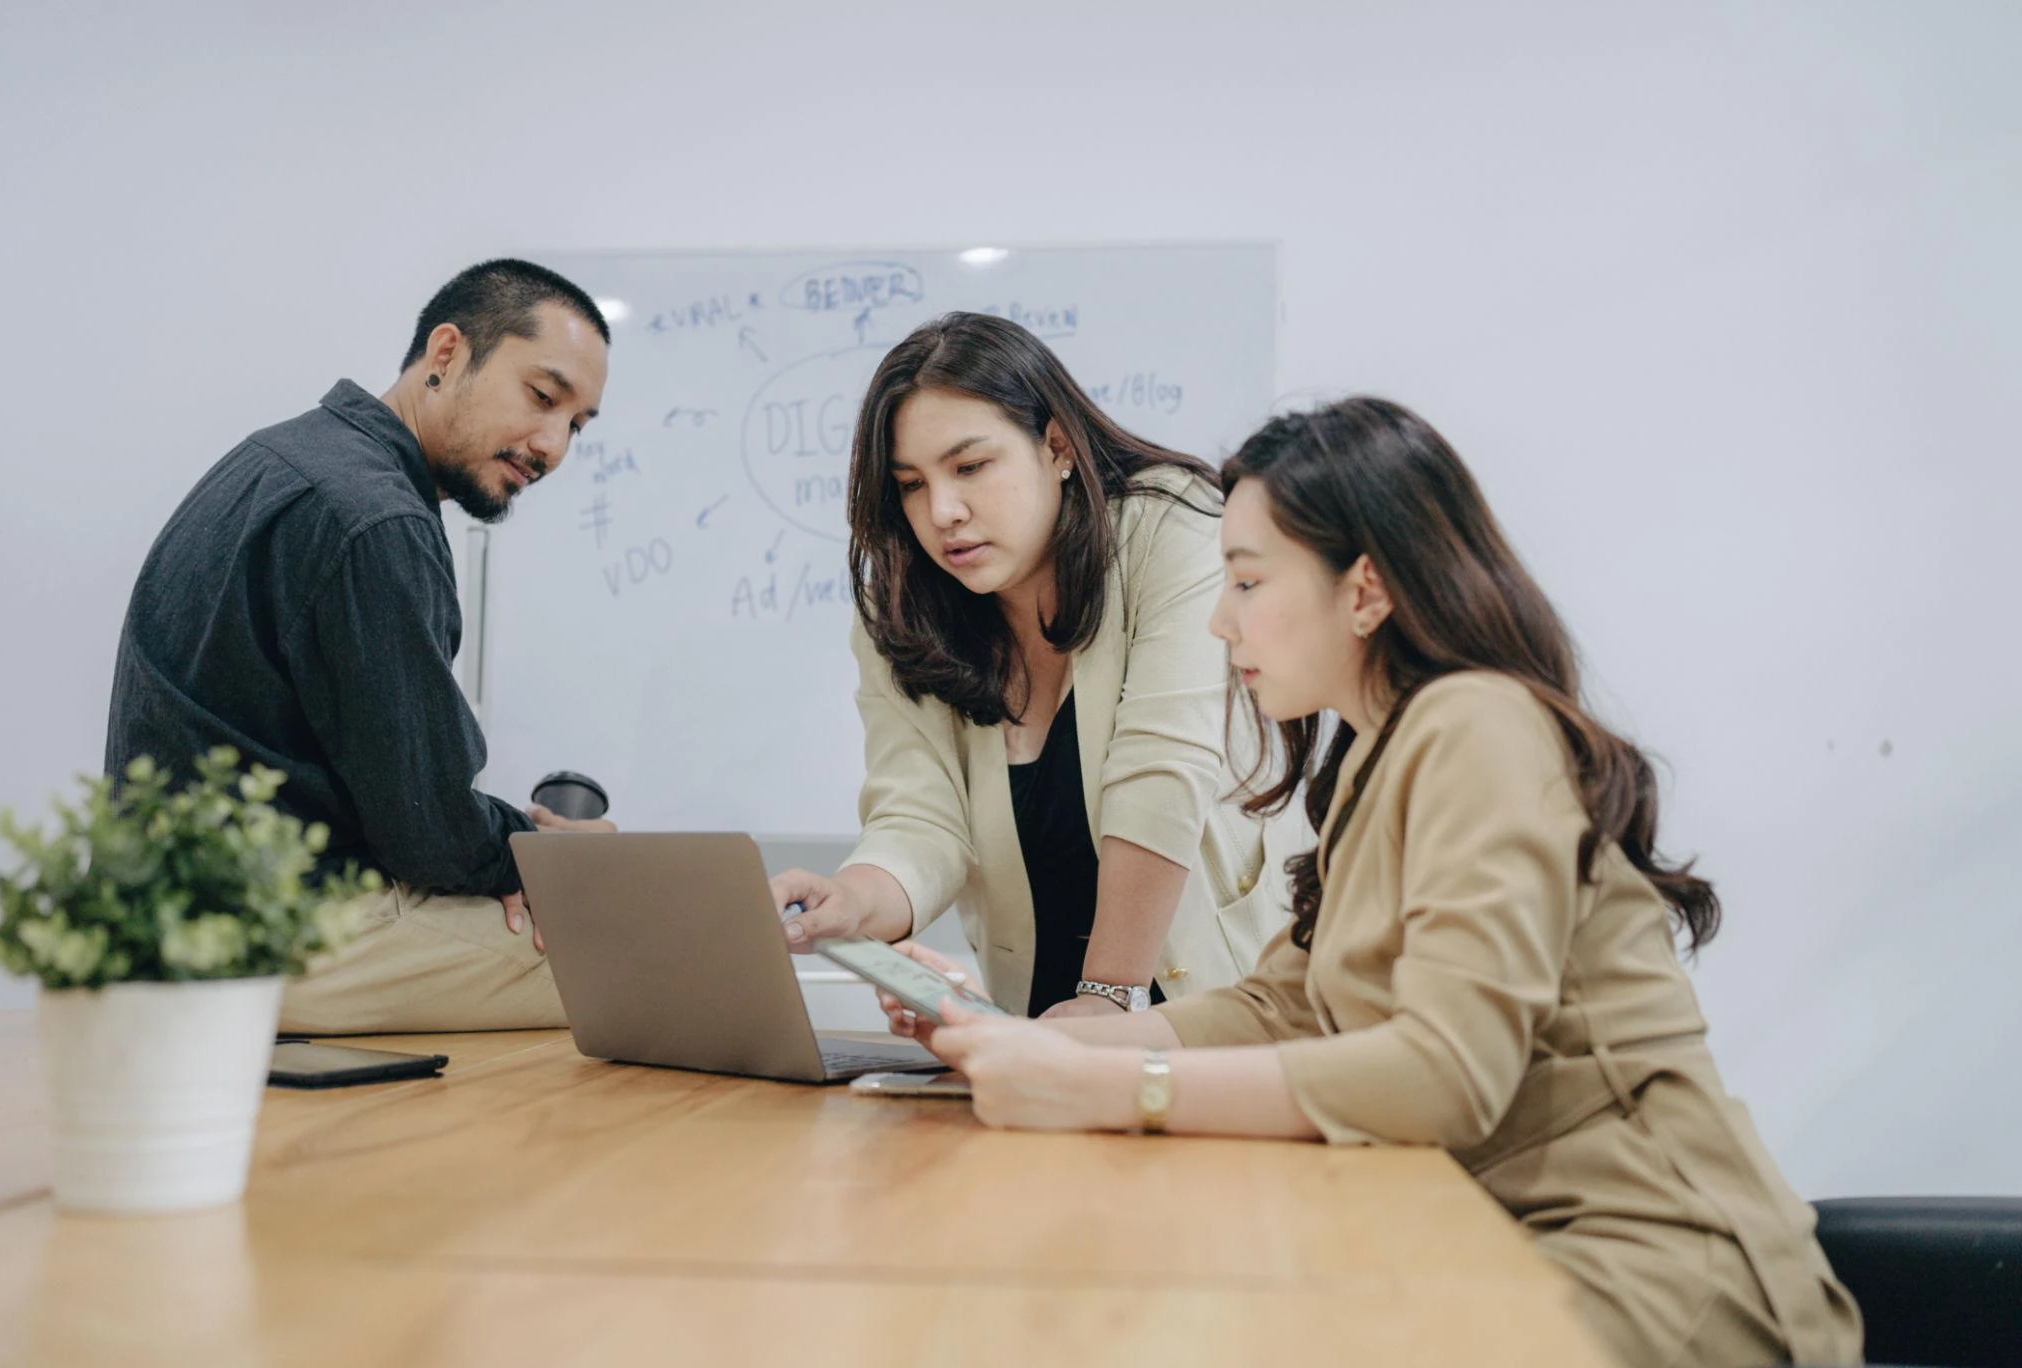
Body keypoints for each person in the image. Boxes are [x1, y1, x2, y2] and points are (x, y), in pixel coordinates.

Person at [879, 398, 1864, 1366]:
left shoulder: (1475, 724)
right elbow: (1286, 1004)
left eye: (1247, 583)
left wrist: (1106, 1083)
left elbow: (1444, 1073)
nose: (1221, 623)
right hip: (1490, 1239)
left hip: (1650, 1272)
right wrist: (1028, 1040)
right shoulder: (1382, 752)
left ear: (1364, 592)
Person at [105, 259, 617, 1033]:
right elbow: (430, 833)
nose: (551, 446)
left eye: (576, 426)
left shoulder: (283, 457)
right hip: (258, 940)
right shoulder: (377, 520)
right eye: (542, 398)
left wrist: (513, 848)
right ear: (445, 354)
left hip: (157, 915)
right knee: (634, 953)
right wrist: (546, 860)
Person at [772, 313, 1294, 1018]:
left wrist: (1108, 995)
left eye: (970, 467)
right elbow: (919, 815)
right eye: (910, 485)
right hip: (1042, 1021)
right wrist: (854, 900)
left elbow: (1162, 774)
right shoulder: (902, 602)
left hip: (1210, 1010)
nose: (943, 512)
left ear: (1055, 445)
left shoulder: (1174, 528)